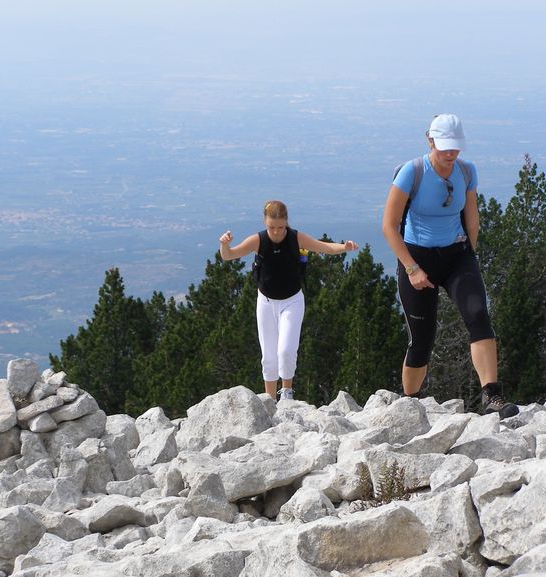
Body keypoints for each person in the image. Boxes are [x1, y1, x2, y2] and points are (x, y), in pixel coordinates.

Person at [381, 113, 516, 416]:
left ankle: (492, 397)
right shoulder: (411, 172)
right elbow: (389, 226)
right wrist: (412, 268)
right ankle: (411, 403)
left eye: (455, 147)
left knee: (479, 315)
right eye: (444, 146)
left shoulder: (467, 172)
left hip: (457, 255)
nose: (450, 153)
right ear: (430, 140)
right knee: (422, 338)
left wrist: (470, 254)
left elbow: (472, 216)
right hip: (417, 257)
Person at [219, 200, 358, 401]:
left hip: (292, 301)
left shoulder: (296, 238)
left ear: (287, 223)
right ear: (265, 223)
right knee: (268, 355)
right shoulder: (258, 240)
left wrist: (344, 247)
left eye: (280, 227)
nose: (276, 232)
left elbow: (323, 247)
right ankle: (269, 399)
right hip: (265, 302)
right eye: (271, 227)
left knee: (286, 350)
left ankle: (286, 393)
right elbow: (229, 256)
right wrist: (224, 244)